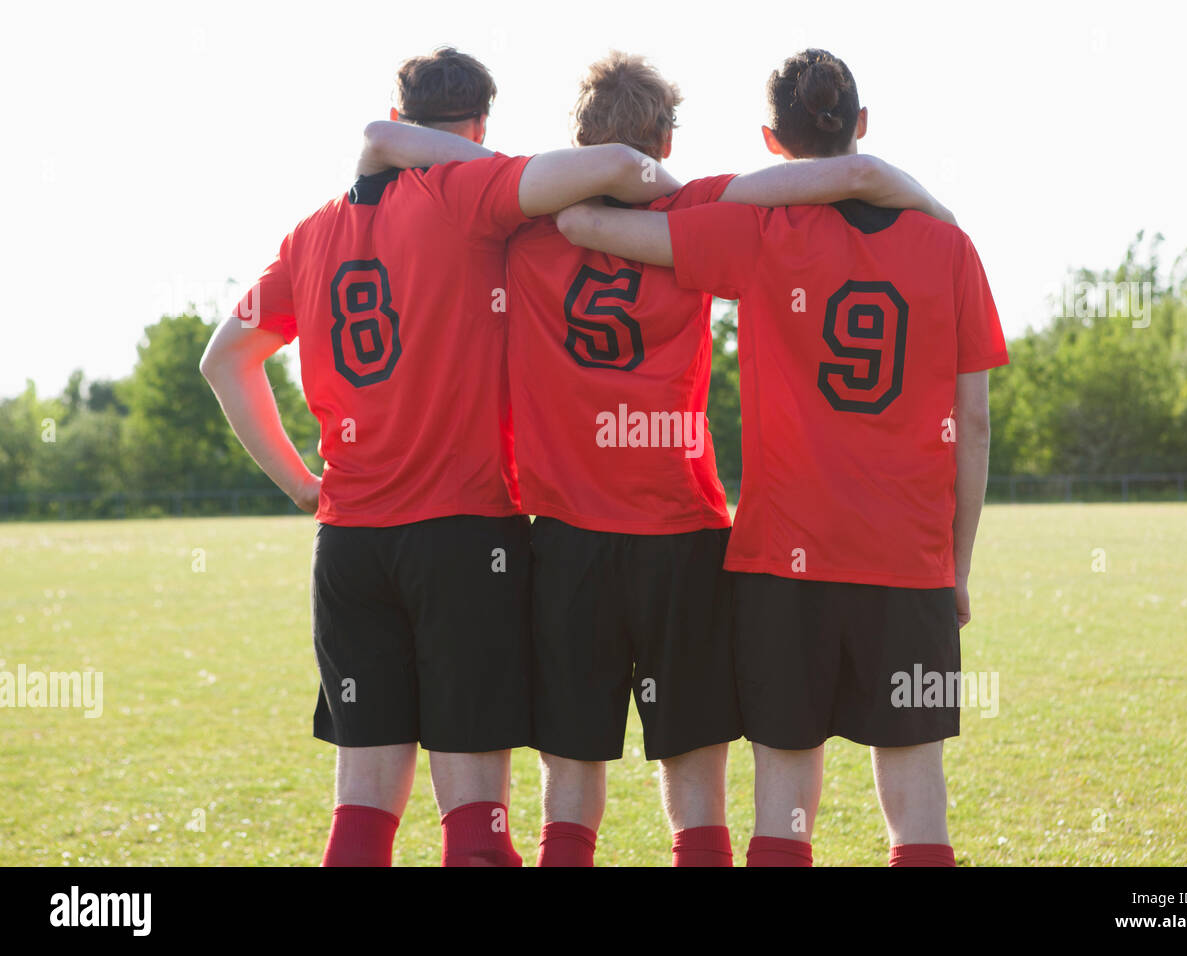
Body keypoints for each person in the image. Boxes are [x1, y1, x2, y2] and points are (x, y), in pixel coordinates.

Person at [356, 50, 954, 866]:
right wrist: (919, 201)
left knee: (571, 776)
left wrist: (403, 151)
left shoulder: (525, 223)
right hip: (682, 531)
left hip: (566, 537)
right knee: (695, 770)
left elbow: (424, 153)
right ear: (666, 141)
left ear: (580, 140)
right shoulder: (696, 209)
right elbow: (834, 181)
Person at [199, 46, 681, 867]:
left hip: (349, 542)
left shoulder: (313, 233)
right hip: (463, 538)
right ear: (478, 124)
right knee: (477, 829)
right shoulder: (467, 193)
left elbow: (224, 359)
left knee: (359, 818)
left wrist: (300, 485)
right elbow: (615, 166)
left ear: (399, 116)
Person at [555, 48, 1007, 867]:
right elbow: (971, 425)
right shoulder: (952, 247)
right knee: (919, 810)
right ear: (861, 124)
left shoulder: (757, 229)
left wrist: (585, 216)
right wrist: (957, 566)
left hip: (781, 563)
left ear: (772, 139)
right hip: (909, 564)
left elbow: (591, 225)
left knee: (782, 813)